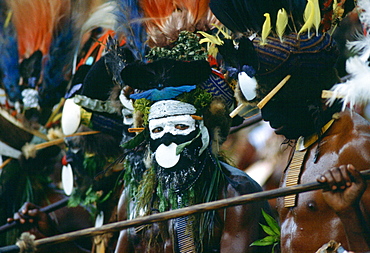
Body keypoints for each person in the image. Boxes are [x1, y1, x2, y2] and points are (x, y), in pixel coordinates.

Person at [209, 0, 370, 251]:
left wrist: (349, 214)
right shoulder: (305, 141)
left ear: (308, 92)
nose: (267, 117)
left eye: (276, 102)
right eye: (260, 103)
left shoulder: (357, 146)